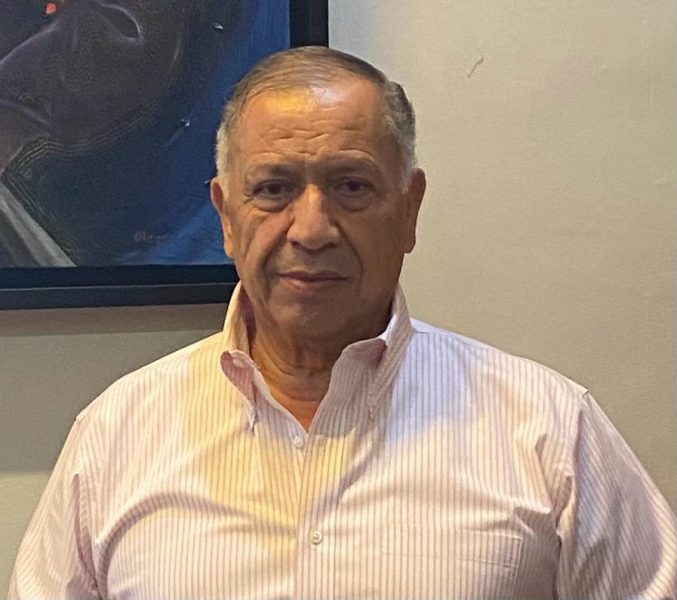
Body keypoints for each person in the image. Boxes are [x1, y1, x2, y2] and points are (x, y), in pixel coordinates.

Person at [8, 46, 676, 599]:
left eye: (351, 186)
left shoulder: (549, 430)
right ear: (225, 216)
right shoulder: (117, 435)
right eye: (273, 189)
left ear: (409, 209)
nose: (311, 229)